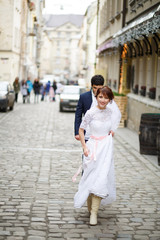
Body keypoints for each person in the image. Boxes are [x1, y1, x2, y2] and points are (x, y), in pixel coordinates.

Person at [73, 86, 121, 226]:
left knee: (101, 179)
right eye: (101, 97)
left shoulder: (111, 112)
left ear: (110, 99)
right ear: (96, 97)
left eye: (106, 98)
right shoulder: (90, 113)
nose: (103, 100)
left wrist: (111, 133)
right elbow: (81, 130)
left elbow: (112, 127)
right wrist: (84, 147)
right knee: (90, 178)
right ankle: (90, 207)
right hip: (92, 148)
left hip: (105, 149)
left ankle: (94, 212)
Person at [74, 75, 104, 142]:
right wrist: (77, 132)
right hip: (88, 133)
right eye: (95, 88)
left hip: (102, 134)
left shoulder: (106, 98)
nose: (97, 90)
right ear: (91, 85)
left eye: (99, 88)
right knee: (88, 152)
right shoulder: (83, 97)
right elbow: (78, 115)